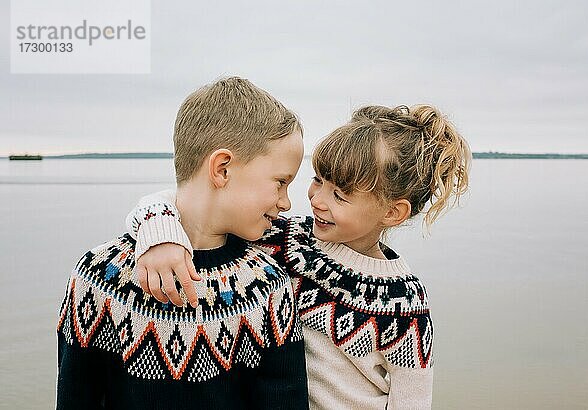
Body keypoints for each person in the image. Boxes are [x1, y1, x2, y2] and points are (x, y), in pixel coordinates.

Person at [126, 104, 471, 409]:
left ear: (393, 212)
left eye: (340, 194)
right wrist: (162, 236)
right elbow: (185, 199)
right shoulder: (286, 239)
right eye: (318, 180)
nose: (318, 199)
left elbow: (411, 400)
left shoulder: (404, 303)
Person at [56, 77, 309, 410]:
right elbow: (76, 397)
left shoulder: (267, 285)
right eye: (280, 182)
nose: (285, 203)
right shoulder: (100, 277)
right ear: (222, 169)